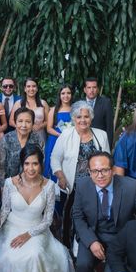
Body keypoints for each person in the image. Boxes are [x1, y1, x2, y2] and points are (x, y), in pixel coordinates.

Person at [0, 145, 77, 272]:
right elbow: (4, 210)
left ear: (41, 164)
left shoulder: (49, 186)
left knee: (35, 255)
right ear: (22, 164)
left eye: (35, 164)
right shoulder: (10, 183)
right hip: (12, 227)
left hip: (37, 229)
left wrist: (28, 234)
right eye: (27, 164)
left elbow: (47, 219)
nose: (30, 168)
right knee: (13, 258)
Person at [72, 152, 136, 272]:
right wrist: (91, 242)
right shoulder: (82, 185)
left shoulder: (130, 186)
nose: (100, 175)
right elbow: (77, 216)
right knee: (82, 266)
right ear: (90, 172)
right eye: (95, 171)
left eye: (104, 170)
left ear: (112, 170)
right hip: (94, 234)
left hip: (120, 238)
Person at [51, 101, 110, 245]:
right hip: (72, 186)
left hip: (96, 185)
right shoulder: (66, 134)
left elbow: (107, 159)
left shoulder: (101, 135)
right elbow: (55, 158)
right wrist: (61, 176)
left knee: (94, 218)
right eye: (79, 117)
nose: (83, 120)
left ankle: (92, 246)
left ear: (91, 118)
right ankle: (67, 247)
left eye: (86, 116)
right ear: (73, 118)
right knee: (69, 218)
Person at [0, 107, 44, 187]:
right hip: (9, 185)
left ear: (32, 124)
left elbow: (40, 165)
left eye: (28, 122)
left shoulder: (38, 140)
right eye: (20, 121)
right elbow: (0, 166)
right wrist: (2, 187)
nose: (24, 125)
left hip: (31, 185)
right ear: (15, 123)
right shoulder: (6, 139)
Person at [43, 84, 73, 179]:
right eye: (63, 93)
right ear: (59, 95)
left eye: (68, 93)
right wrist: (60, 135)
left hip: (70, 140)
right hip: (55, 140)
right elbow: (49, 128)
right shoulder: (53, 110)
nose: (66, 96)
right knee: (53, 163)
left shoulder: (75, 109)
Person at [9, 78, 49, 145]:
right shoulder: (18, 103)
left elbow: (48, 121)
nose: (31, 89)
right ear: (25, 89)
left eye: (34, 86)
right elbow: (11, 121)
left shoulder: (43, 103)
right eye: (28, 86)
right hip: (21, 135)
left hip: (39, 134)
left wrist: (40, 126)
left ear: (37, 88)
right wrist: (22, 127)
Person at [83, 77, 114, 147]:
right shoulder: (79, 103)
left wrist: (108, 147)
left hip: (100, 142)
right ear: (84, 89)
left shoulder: (106, 102)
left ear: (98, 89)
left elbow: (109, 127)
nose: (92, 90)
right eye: (89, 87)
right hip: (82, 142)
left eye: (94, 87)